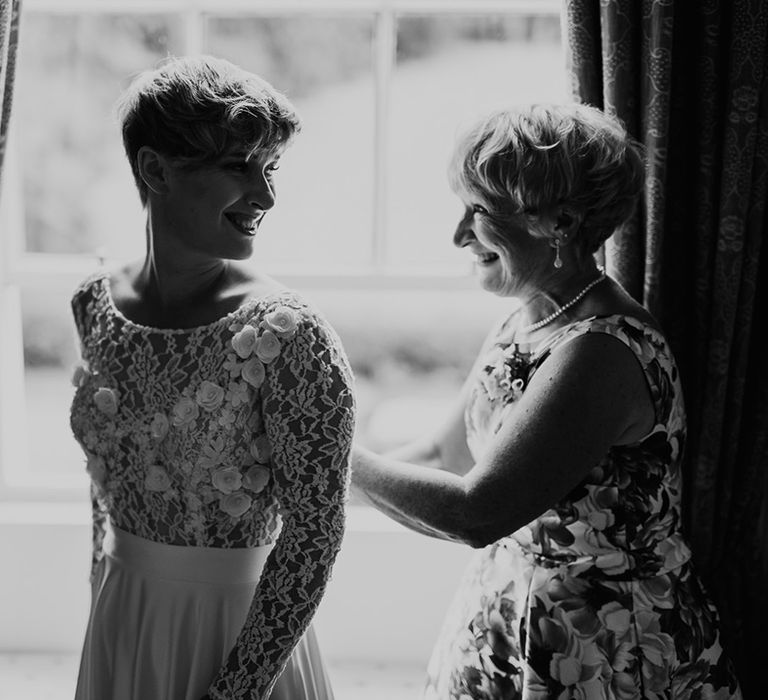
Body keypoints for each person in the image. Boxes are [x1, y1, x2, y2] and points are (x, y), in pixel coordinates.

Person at [351, 104, 743, 699]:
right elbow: (442, 453)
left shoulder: (601, 351)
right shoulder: (527, 318)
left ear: (559, 222)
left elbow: (478, 510)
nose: (458, 234)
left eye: (480, 212)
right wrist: (305, 483)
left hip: (602, 648)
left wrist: (329, 452)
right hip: (508, 617)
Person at [69, 55, 355, 700]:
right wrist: (101, 597)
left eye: (270, 168)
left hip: (238, 636)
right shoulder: (93, 305)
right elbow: (105, 479)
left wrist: (235, 691)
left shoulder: (289, 335)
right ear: (155, 169)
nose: (267, 194)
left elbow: (315, 532)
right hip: (122, 614)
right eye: (238, 166)